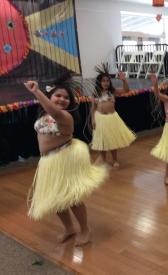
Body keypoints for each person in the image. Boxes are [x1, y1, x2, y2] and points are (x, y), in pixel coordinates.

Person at [24, 76, 108, 246]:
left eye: (66, 97)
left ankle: (85, 230)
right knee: (57, 198)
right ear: (51, 96)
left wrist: (36, 91)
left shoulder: (65, 117)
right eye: (58, 95)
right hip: (48, 161)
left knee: (72, 198)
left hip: (64, 159)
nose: (62, 99)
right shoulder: (45, 114)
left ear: (71, 102)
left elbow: (55, 112)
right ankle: (69, 228)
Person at [91, 64, 136, 167]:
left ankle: (115, 159)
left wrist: (124, 80)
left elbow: (126, 91)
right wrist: (92, 120)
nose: (106, 83)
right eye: (103, 81)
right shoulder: (95, 94)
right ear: (99, 82)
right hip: (100, 119)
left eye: (107, 80)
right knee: (102, 141)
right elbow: (93, 109)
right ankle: (103, 160)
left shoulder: (113, 91)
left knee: (112, 140)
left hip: (112, 118)